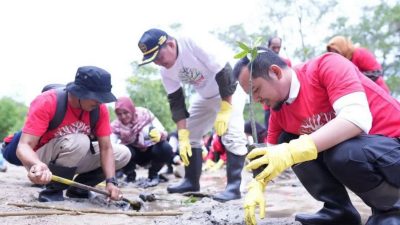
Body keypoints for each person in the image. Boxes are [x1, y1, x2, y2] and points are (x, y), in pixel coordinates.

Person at [233, 48, 400, 225]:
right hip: (367, 153)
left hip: (393, 147)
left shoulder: (327, 66)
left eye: (256, 89)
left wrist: (291, 152)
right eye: (251, 96)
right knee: (287, 140)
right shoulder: (279, 113)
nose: (256, 99)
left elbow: (356, 119)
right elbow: (271, 157)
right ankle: (339, 210)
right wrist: (257, 185)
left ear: (275, 72)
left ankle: (390, 209)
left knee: (342, 152)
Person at [137, 28, 248, 202]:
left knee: (232, 133)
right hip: (204, 96)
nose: (158, 63)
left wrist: (226, 109)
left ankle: (234, 187)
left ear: (171, 44)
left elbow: (224, 71)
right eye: (153, 60)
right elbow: (176, 102)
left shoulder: (191, 41)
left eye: (158, 57)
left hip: (230, 89)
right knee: (190, 134)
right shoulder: (165, 71)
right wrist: (182, 135)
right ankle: (191, 181)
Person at [16, 66, 131, 202]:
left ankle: (79, 190)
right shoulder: (48, 101)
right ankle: (52, 191)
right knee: (80, 141)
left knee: (123, 154)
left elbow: (106, 148)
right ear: (80, 92)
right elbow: (23, 146)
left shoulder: (99, 110)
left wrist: (111, 182)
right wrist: (37, 164)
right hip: (40, 160)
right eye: (96, 97)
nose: (100, 102)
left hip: (73, 154)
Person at [111, 96, 173, 188]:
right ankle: (130, 175)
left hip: (151, 150)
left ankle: (153, 174)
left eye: (126, 112)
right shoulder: (116, 125)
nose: (123, 116)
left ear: (131, 110)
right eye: (119, 114)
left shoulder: (144, 114)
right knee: (120, 151)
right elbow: (111, 145)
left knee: (165, 148)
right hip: (133, 155)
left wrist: (158, 135)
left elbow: (163, 132)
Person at [264, 36, 292, 131]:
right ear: (268, 47)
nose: (276, 50)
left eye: (278, 47)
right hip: (269, 105)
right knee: (270, 132)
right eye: (273, 47)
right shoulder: (262, 64)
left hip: (286, 105)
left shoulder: (286, 62)